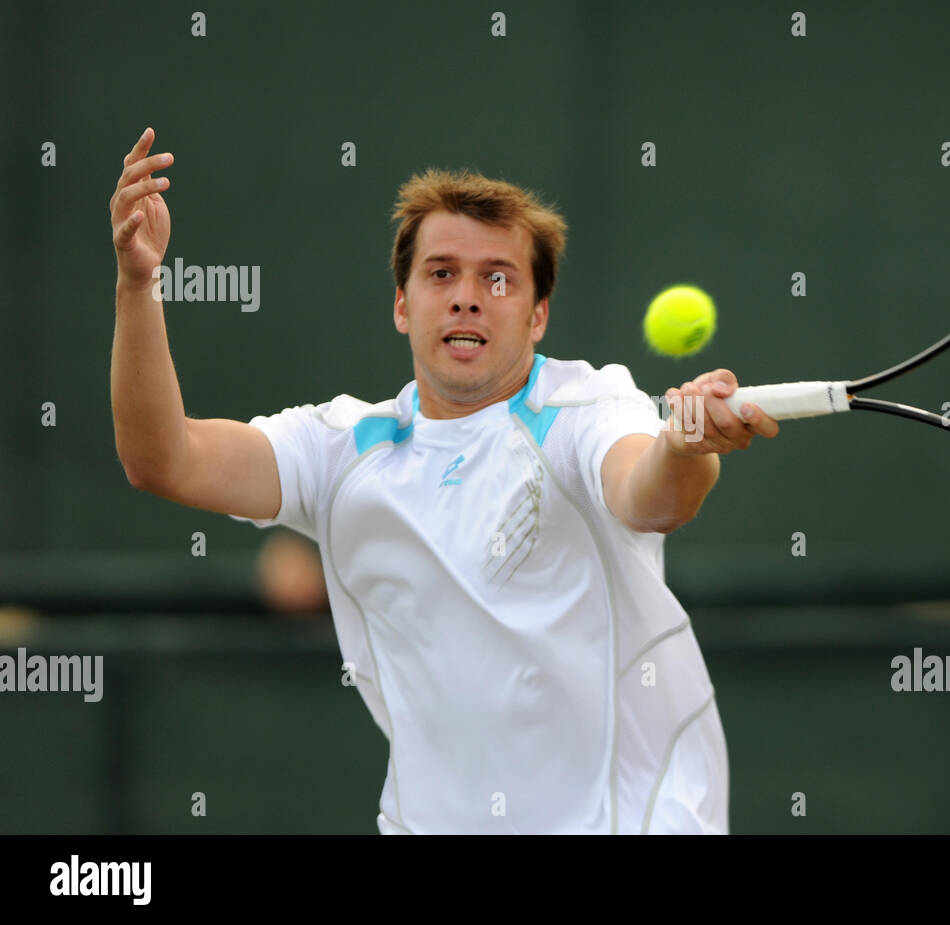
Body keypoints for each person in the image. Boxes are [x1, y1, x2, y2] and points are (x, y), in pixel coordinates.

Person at [109, 127, 779, 834]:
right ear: (402, 305)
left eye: (498, 277)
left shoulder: (587, 406)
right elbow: (163, 458)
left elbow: (652, 493)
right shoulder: (342, 446)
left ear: (538, 314)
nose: (467, 297)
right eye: (440, 274)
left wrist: (686, 447)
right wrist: (136, 282)